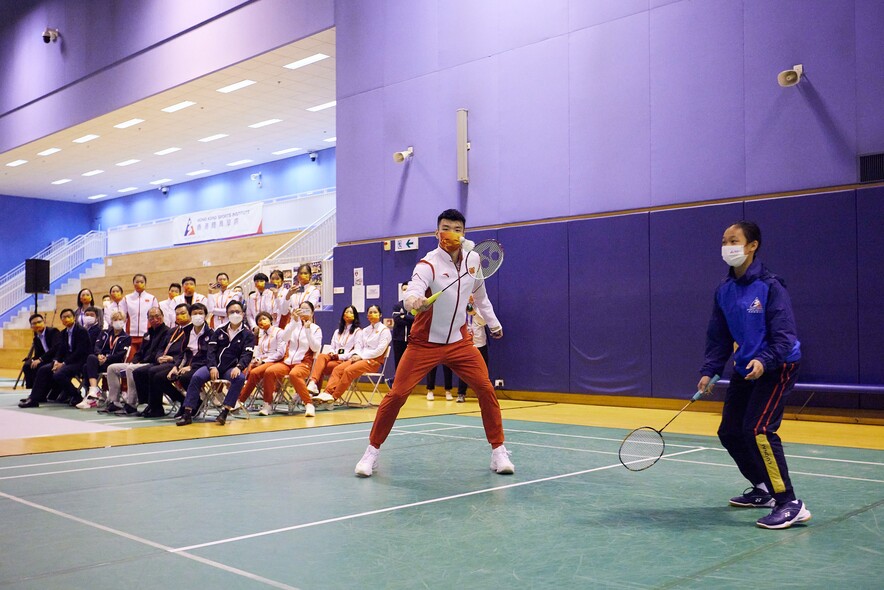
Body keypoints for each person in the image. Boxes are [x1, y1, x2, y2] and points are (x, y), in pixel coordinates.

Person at [354, 209, 510, 477]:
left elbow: (481, 297)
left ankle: (499, 452)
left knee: (485, 389)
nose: (451, 234)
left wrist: (493, 324)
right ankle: (371, 452)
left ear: (464, 233)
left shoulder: (474, 260)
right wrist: (413, 300)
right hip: (424, 344)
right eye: (445, 228)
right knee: (397, 395)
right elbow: (413, 290)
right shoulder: (427, 264)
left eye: (457, 229)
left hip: (460, 343)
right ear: (437, 233)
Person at [698, 221, 808, 530]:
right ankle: (762, 488)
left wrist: (765, 359)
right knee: (731, 432)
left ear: (752, 246)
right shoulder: (724, 291)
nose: (727, 246)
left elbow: (785, 336)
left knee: (758, 430)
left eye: (733, 240)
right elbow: (718, 337)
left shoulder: (771, 286)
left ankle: (789, 503)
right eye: (724, 241)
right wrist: (710, 371)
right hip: (746, 367)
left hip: (778, 366)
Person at [176, 300, 254, 426]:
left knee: (239, 378)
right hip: (213, 367)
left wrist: (239, 367)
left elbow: (247, 354)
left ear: (243, 314)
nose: (235, 314)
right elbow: (210, 351)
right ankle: (187, 413)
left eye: (237, 311)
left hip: (231, 369)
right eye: (231, 312)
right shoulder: (219, 331)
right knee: (196, 377)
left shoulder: (248, 334)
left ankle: (225, 412)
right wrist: (212, 367)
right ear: (227, 314)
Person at [315, 305, 390, 405]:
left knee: (348, 371)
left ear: (380, 314)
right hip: (359, 359)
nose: (372, 315)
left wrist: (361, 356)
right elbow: (359, 346)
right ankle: (327, 393)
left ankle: (334, 397)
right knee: (338, 369)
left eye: (374, 312)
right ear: (367, 316)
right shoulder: (365, 330)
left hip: (373, 361)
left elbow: (380, 350)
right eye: (370, 313)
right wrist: (357, 355)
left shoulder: (384, 330)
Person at [102, 307, 169, 415]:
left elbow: (158, 353)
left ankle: (131, 405)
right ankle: (114, 402)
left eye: (157, 316)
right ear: (148, 319)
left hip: (153, 363)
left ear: (162, 316)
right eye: (151, 317)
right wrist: (135, 360)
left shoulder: (167, 332)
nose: (155, 319)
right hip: (140, 363)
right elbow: (140, 351)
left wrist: (140, 363)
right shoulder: (148, 333)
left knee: (130, 369)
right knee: (112, 368)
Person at [19, 309, 91, 408]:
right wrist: (57, 361)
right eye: (63, 317)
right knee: (42, 369)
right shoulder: (63, 333)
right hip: (66, 361)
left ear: (74, 318)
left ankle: (76, 395)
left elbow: (80, 351)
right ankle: (35, 398)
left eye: (68, 316)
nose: (66, 319)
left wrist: (63, 363)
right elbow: (60, 350)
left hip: (80, 362)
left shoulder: (81, 331)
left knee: (57, 374)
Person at [132, 303, 191, 418]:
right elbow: (161, 348)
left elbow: (188, 352)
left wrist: (172, 358)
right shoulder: (173, 331)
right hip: (164, 361)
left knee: (154, 373)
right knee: (138, 372)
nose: (179, 316)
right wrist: (159, 357)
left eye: (183, 313)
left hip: (177, 362)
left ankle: (179, 400)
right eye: (177, 314)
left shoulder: (192, 331)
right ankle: (151, 404)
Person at [229, 311, 287, 416]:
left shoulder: (279, 332)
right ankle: (233, 398)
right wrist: (257, 359)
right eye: (259, 320)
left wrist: (264, 361)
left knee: (255, 373)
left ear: (271, 320)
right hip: (262, 361)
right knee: (242, 372)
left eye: (264, 319)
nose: (262, 322)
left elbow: (281, 353)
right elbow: (259, 352)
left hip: (275, 361)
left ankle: (242, 401)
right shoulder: (261, 335)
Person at [161, 303, 213, 417]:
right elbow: (182, 352)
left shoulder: (211, 333)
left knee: (186, 377)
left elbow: (209, 355)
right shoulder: (187, 331)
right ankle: (186, 402)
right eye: (195, 314)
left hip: (202, 364)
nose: (198, 316)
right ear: (191, 316)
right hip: (187, 363)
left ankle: (191, 405)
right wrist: (176, 366)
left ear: (205, 315)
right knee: (163, 377)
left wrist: (191, 367)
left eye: (201, 313)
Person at [77, 310, 131, 409]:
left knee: (87, 366)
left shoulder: (126, 337)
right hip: (100, 360)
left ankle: (92, 394)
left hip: (113, 363)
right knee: (89, 360)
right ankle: (92, 393)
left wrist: (107, 358)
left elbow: (121, 354)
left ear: (124, 321)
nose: (117, 321)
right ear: (111, 321)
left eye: (120, 319)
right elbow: (97, 346)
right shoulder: (105, 333)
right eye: (115, 319)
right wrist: (99, 355)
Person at [306, 305, 362, 395]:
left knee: (321, 367)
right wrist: (332, 352)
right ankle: (313, 384)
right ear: (343, 315)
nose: (348, 314)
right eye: (346, 312)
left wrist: (339, 356)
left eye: (351, 312)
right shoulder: (337, 331)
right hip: (334, 358)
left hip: (344, 360)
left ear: (355, 316)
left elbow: (356, 351)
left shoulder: (358, 332)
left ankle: (322, 393)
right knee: (321, 357)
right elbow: (332, 346)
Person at [456, 296, 490, 403]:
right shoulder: (460, 308)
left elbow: (485, 322)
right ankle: (461, 393)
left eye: (472, 296)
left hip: (480, 342)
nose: (470, 298)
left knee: (483, 370)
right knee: (464, 370)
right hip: (466, 343)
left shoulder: (480, 307)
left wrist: (474, 313)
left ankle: (484, 394)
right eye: (468, 296)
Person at [121, 273, 159, 356]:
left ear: (145, 283)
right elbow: (122, 317)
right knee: (129, 359)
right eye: (137, 282)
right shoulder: (127, 298)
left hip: (146, 335)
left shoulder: (152, 298)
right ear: (133, 283)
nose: (139, 284)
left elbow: (157, 317)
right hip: (130, 336)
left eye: (141, 282)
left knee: (144, 359)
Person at [21, 313, 60, 390]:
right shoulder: (36, 338)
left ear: (44, 322)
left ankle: (41, 391)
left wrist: (40, 359)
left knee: (41, 368)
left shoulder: (53, 331)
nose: (37, 325)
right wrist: (31, 360)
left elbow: (55, 349)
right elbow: (38, 354)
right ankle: (33, 391)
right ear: (31, 326)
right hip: (45, 359)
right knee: (27, 366)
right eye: (34, 323)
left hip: (55, 358)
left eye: (39, 322)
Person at [389, 281, 413, 389]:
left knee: (410, 365)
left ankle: (407, 385)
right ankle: (397, 385)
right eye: (404, 289)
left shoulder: (415, 305)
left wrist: (405, 317)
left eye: (407, 289)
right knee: (399, 363)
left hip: (412, 339)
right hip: (398, 339)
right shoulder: (397, 305)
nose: (405, 291)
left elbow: (416, 320)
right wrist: (407, 319)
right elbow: (397, 319)